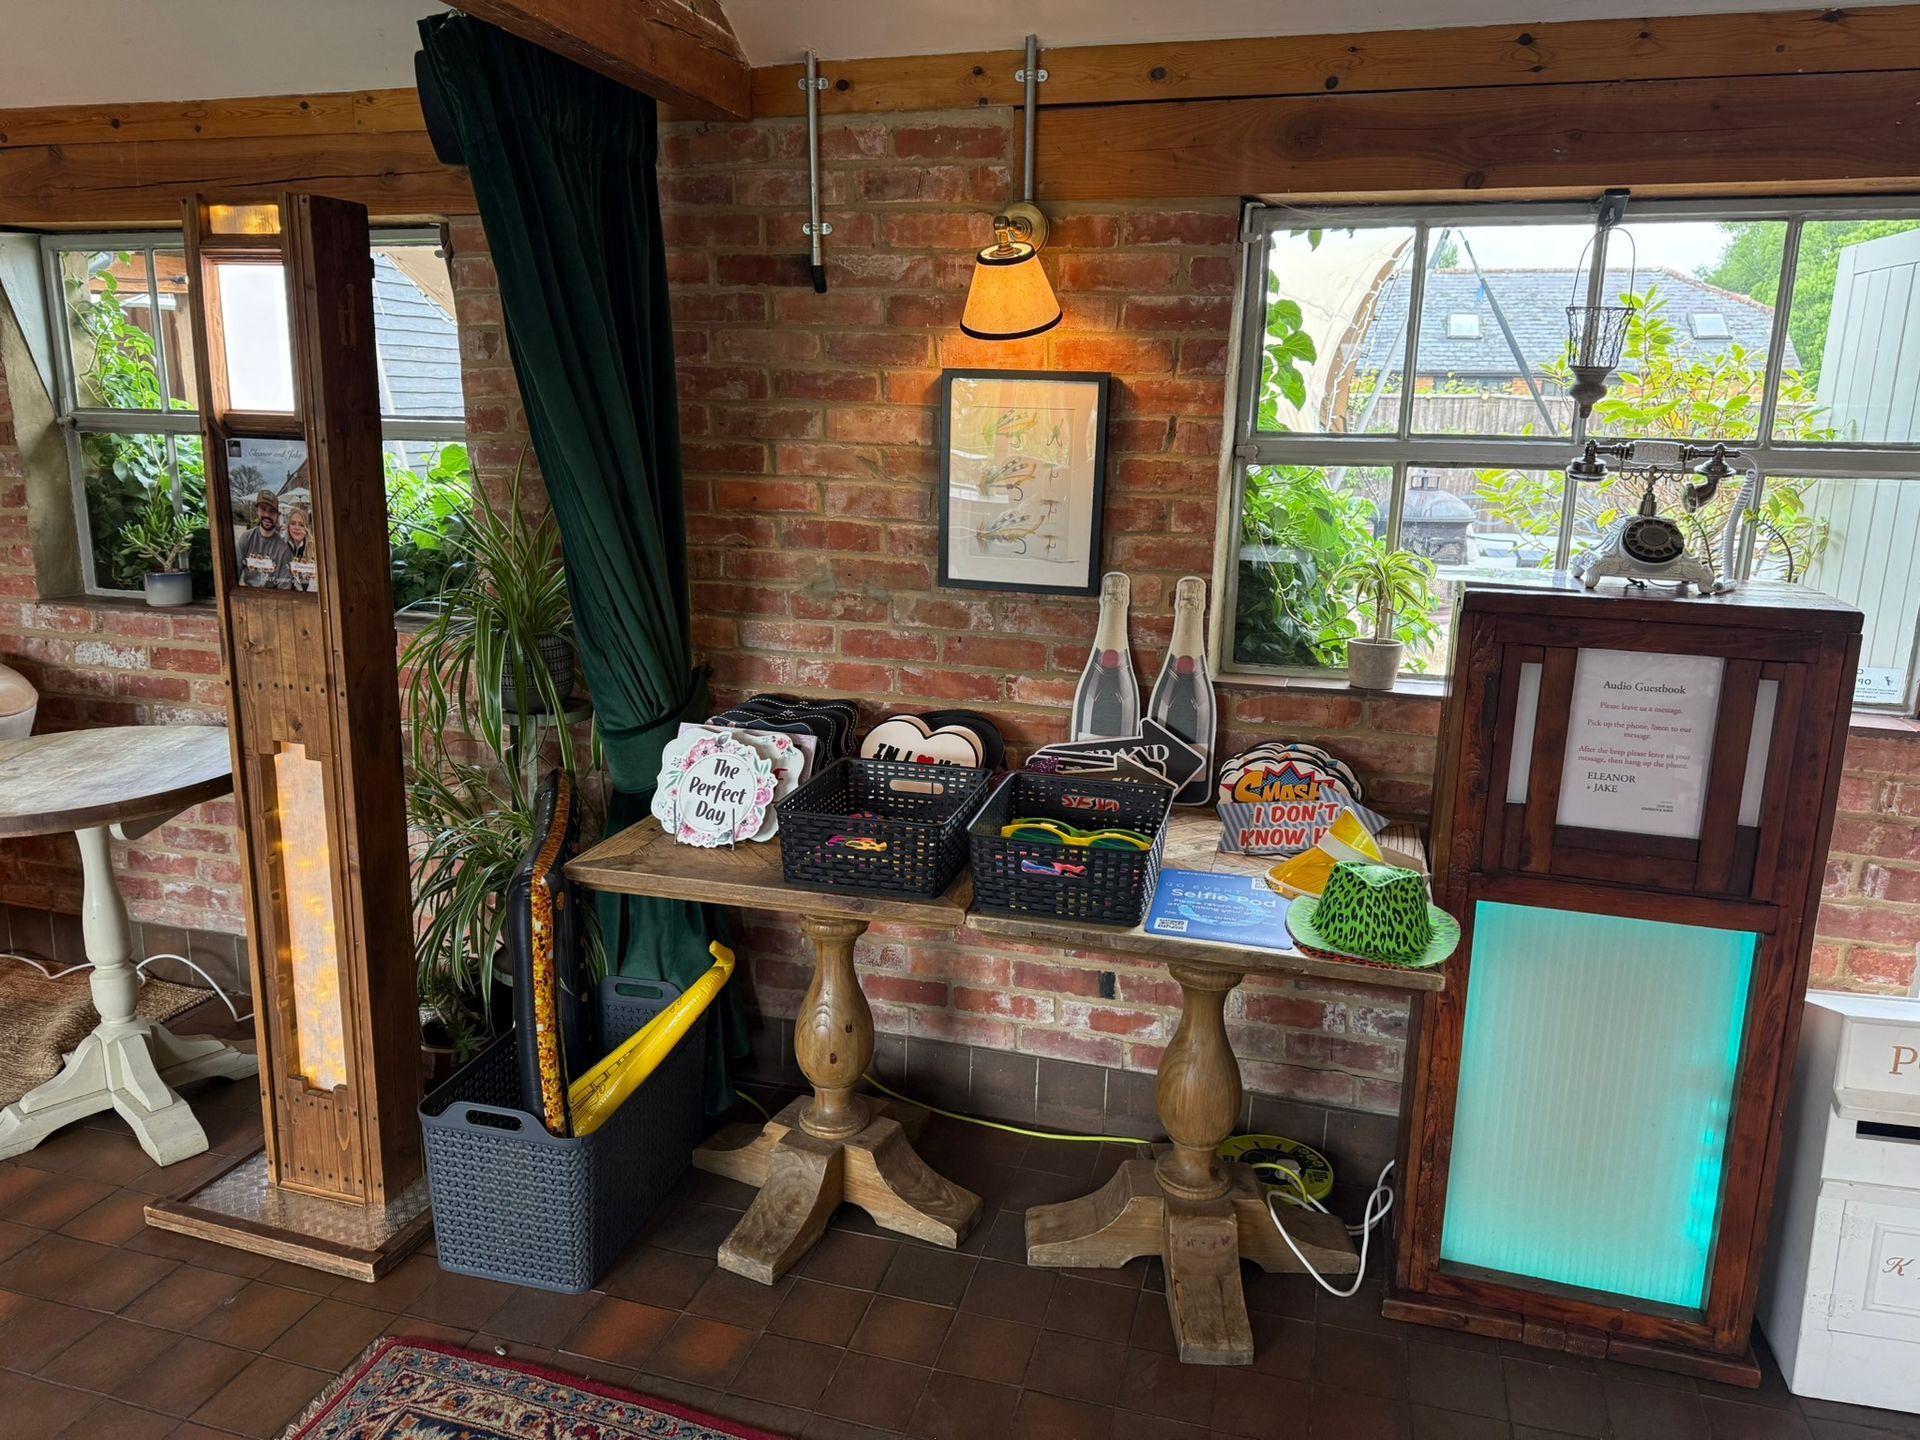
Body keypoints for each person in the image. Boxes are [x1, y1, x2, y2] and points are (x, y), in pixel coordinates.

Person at [235, 489, 292, 588]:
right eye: (263, 509)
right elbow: (234, 573)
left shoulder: (284, 550)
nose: (267, 515)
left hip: (272, 595)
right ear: (257, 511)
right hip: (248, 594)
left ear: (277, 516)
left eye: (272, 511)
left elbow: (284, 588)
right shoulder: (246, 538)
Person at [283, 505, 317, 592]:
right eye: (293, 523)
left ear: (306, 528)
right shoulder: (283, 548)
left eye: (301, 525)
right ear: (288, 526)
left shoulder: (315, 550)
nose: (297, 528)